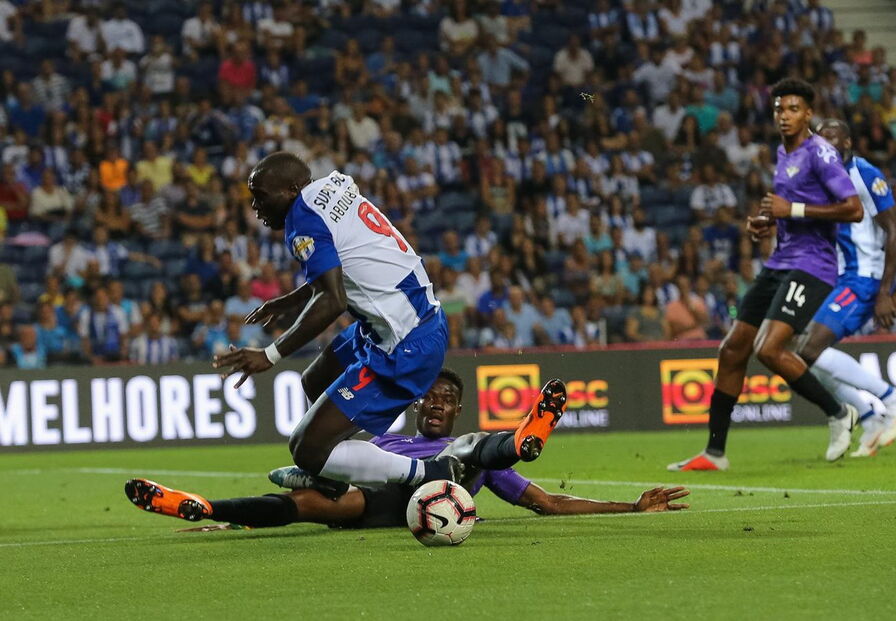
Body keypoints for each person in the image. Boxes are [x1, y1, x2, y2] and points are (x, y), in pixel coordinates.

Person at [212, 153, 542, 492]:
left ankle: (430, 473)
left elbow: (333, 300)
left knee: (305, 448)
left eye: (261, 195)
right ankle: (333, 477)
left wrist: (269, 355)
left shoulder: (302, 220)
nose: (254, 205)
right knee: (315, 379)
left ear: (292, 189)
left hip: (406, 342)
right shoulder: (331, 185)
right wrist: (293, 300)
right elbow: (348, 262)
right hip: (405, 317)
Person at [125, 370, 689, 528]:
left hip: (449, 482)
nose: (438, 404)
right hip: (383, 505)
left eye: (448, 398)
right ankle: (202, 505)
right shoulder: (382, 441)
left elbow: (549, 503)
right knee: (319, 505)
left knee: (467, 452)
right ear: (418, 406)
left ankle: (521, 440)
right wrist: (228, 521)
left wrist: (631, 507)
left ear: (458, 409)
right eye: (431, 398)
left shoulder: (466, 444)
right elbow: (313, 479)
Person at [669, 79, 863, 471]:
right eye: (779, 109)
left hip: (813, 266)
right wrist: (765, 224)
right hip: (780, 261)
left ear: (808, 113)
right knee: (732, 349)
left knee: (769, 349)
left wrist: (790, 211)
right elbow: (789, 210)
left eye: (793, 109)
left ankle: (839, 411)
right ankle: (714, 453)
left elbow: (853, 208)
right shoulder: (783, 153)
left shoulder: (821, 154)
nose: (784, 116)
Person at [796, 119, 896, 457]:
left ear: (848, 141)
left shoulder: (865, 173)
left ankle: (893, 398)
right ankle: (869, 417)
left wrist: (885, 291)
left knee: (808, 350)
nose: (828, 145)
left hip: (863, 277)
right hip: (837, 277)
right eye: (822, 140)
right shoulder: (821, 177)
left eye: (834, 138)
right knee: (799, 353)